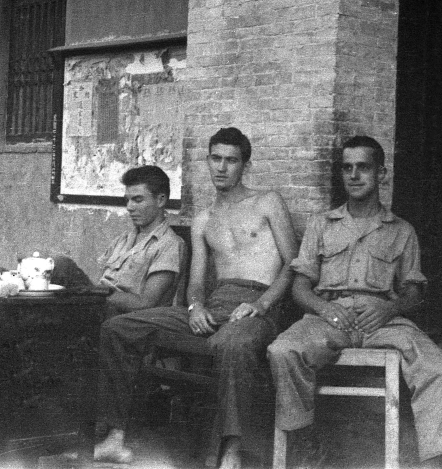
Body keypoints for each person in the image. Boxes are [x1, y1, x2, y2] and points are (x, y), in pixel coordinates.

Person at [93, 127, 299, 469]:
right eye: (216, 158)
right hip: (216, 304)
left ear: (245, 165)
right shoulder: (205, 219)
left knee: (232, 344)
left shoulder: (267, 202)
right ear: (207, 161)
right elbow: (197, 284)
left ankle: (232, 450)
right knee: (118, 327)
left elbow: (294, 265)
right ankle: (115, 437)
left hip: (260, 304)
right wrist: (195, 306)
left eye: (231, 160)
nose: (222, 167)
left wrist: (262, 305)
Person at [267, 136, 442, 467]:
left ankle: (438, 461)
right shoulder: (321, 225)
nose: (354, 175)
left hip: (383, 322)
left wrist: (388, 308)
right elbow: (300, 286)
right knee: (283, 350)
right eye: (347, 168)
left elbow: (414, 291)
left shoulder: (401, 230)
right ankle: (307, 442)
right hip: (327, 319)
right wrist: (324, 308)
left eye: (363, 167)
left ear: (382, 174)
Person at [50, 165, 186, 316]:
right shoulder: (124, 239)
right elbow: (100, 281)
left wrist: (98, 292)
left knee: (62, 265)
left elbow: (146, 303)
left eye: (137, 200)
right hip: (98, 306)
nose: (129, 207)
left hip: (126, 319)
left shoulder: (169, 244)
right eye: (127, 200)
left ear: (160, 200)